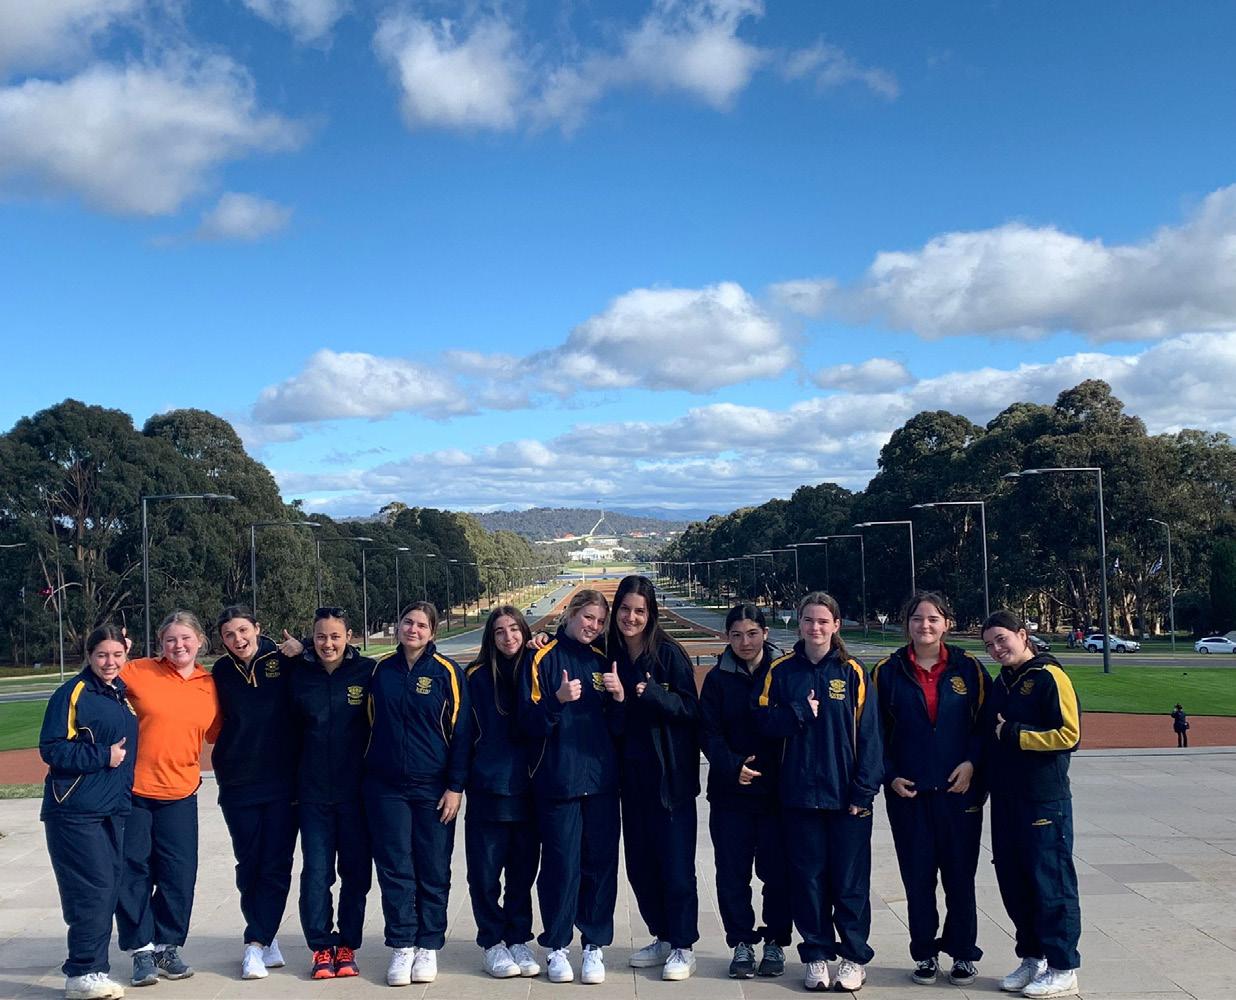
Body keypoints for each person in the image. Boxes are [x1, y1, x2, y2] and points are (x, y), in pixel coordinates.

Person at [752, 591, 881, 993]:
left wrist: (864, 791)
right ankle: (816, 955)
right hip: (798, 797)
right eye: (808, 620)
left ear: (836, 625)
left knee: (849, 884)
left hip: (847, 799)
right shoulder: (781, 671)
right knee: (807, 881)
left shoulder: (853, 671)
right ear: (799, 623)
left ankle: (853, 957)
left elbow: (871, 737)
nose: (815, 627)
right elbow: (761, 723)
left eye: (823, 621)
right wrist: (796, 713)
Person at [871, 592, 991, 987]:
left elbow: (986, 725)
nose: (925, 625)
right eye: (917, 619)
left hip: (960, 793)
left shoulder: (969, 668)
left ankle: (963, 952)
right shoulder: (887, 671)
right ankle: (924, 952)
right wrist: (889, 775)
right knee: (918, 879)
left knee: (960, 878)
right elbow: (872, 732)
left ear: (946, 624)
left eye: (933, 619)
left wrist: (972, 763)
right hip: (909, 794)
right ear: (906, 624)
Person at [517, 588, 622, 985]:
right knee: (561, 867)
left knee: (600, 866)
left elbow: (618, 724)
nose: (593, 626)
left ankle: (594, 945)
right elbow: (526, 723)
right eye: (587, 617)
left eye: (600, 621)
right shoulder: (541, 656)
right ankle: (557, 945)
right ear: (571, 613)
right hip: (558, 780)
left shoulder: (601, 659)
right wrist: (557, 700)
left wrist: (619, 697)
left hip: (601, 782)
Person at [366, 602, 471, 987]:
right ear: (398, 626)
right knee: (395, 869)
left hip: (434, 788)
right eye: (407, 622)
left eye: (421, 625)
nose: (413, 629)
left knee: (433, 868)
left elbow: (462, 733)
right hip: (386, 788)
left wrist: (455, 787)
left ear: (432, 632)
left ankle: (428, 944)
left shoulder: (447, 672)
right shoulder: (380, 670)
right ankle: (401, 943)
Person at [116, 611, 221, 987]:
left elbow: (216, 734)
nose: (179, 645)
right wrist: (117, 651)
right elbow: (98, 679)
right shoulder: (138, 671)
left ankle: (167, 946)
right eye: (171, 639)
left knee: (179, 875)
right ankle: (141, 950)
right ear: (160, 643)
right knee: (134, 873)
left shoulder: (210, 685)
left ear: (200, 641)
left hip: (180, 793)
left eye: (186, 638)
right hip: (134, 792)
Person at [982, 610, 1082, 999]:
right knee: (1015, 881)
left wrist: (1016, 733)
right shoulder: (1003, 681)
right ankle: (1032, 957)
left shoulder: (1049, 676)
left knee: (1050, 881)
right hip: (1007, 797)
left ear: (1023, 635)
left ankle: (1063, 966)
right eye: (989, 644)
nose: (996, 649)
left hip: (1043, 797)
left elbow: (1070, 735)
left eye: (1002, 639)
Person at [607, 575, 701, 982]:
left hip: (670, 781)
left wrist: (654, 694)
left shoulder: (668, 653)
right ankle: (662, 936)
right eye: (625, 609)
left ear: (651, 614)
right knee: (641, 867)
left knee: (676, 867)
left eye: (639, 611)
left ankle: (683, 945)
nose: (631, 617)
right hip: (631, 780)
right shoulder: (610, 652)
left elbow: (691, 710)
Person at [275, 607, 376, 980]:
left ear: (349, 636)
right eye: (320, 636)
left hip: (356, 795)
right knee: (317, 874)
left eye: (335, 636)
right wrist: (301, 648)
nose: (328, 644)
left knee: (356, 874)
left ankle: (347, 945)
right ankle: (320, 947)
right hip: (313, 794)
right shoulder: (298, 673)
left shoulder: (368, 672)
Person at [40, 624, 138, 1000]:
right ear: (89, 655)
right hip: (74, 810)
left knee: (107, 888)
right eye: (102, 655)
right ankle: (83, 972)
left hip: (111, 808)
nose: (110, 661)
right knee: (92, 891)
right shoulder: (74, 692)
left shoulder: (118, 693)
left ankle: (94, 968)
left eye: (117, 654)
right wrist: (103, 756)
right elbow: (51, 747)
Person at [699, 604, 791, 979]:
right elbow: (708, 732)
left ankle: (775, 941)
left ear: (765, 634)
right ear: (727, 637)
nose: (745, 642)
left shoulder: (783, 672)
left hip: (776, 794)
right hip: (730, 794)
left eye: (752, 633)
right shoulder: (718, 678)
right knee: (732, 875)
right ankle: (741, 941)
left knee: (778, 874)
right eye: (736, 635)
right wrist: (733, 766)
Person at [211, 605, 298, 980]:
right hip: (238, 782)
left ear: (258, 629)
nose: (238, 639)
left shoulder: (284, 660)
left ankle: (256, 943)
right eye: (229, 634)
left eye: (243, 630)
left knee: (275, 865)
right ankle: (266, 933)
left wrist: (304, 645)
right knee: (249, 865)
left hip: (283, 782)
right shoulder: (220, 671)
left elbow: (336, 653)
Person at [464, 606, 541, 979]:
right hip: (488, 789)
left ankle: (518, 938)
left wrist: (546, 640)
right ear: (490, 638)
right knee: (485, 874)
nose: (508, 637)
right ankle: (492, 941)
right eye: (499, 631)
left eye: (514, 629)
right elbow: (462, 735)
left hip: (530, 790)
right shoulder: (476, 677)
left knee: (522, 873)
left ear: (525, 632)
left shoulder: (537, 666)